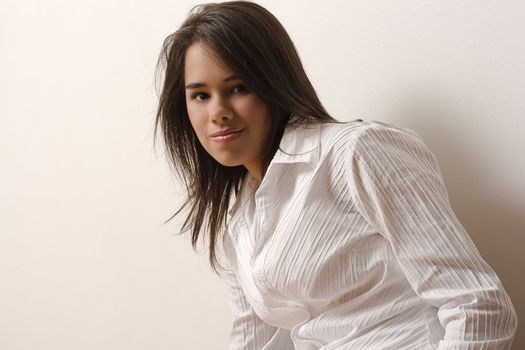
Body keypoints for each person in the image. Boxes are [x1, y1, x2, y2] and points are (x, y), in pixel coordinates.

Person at [154, 1, 517, 349]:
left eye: (238, 88)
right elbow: (257, 343)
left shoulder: (355, 153)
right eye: (200, 95)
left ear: (273, 83)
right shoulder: (241, 224)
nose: (218, 112)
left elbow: (479, 306)